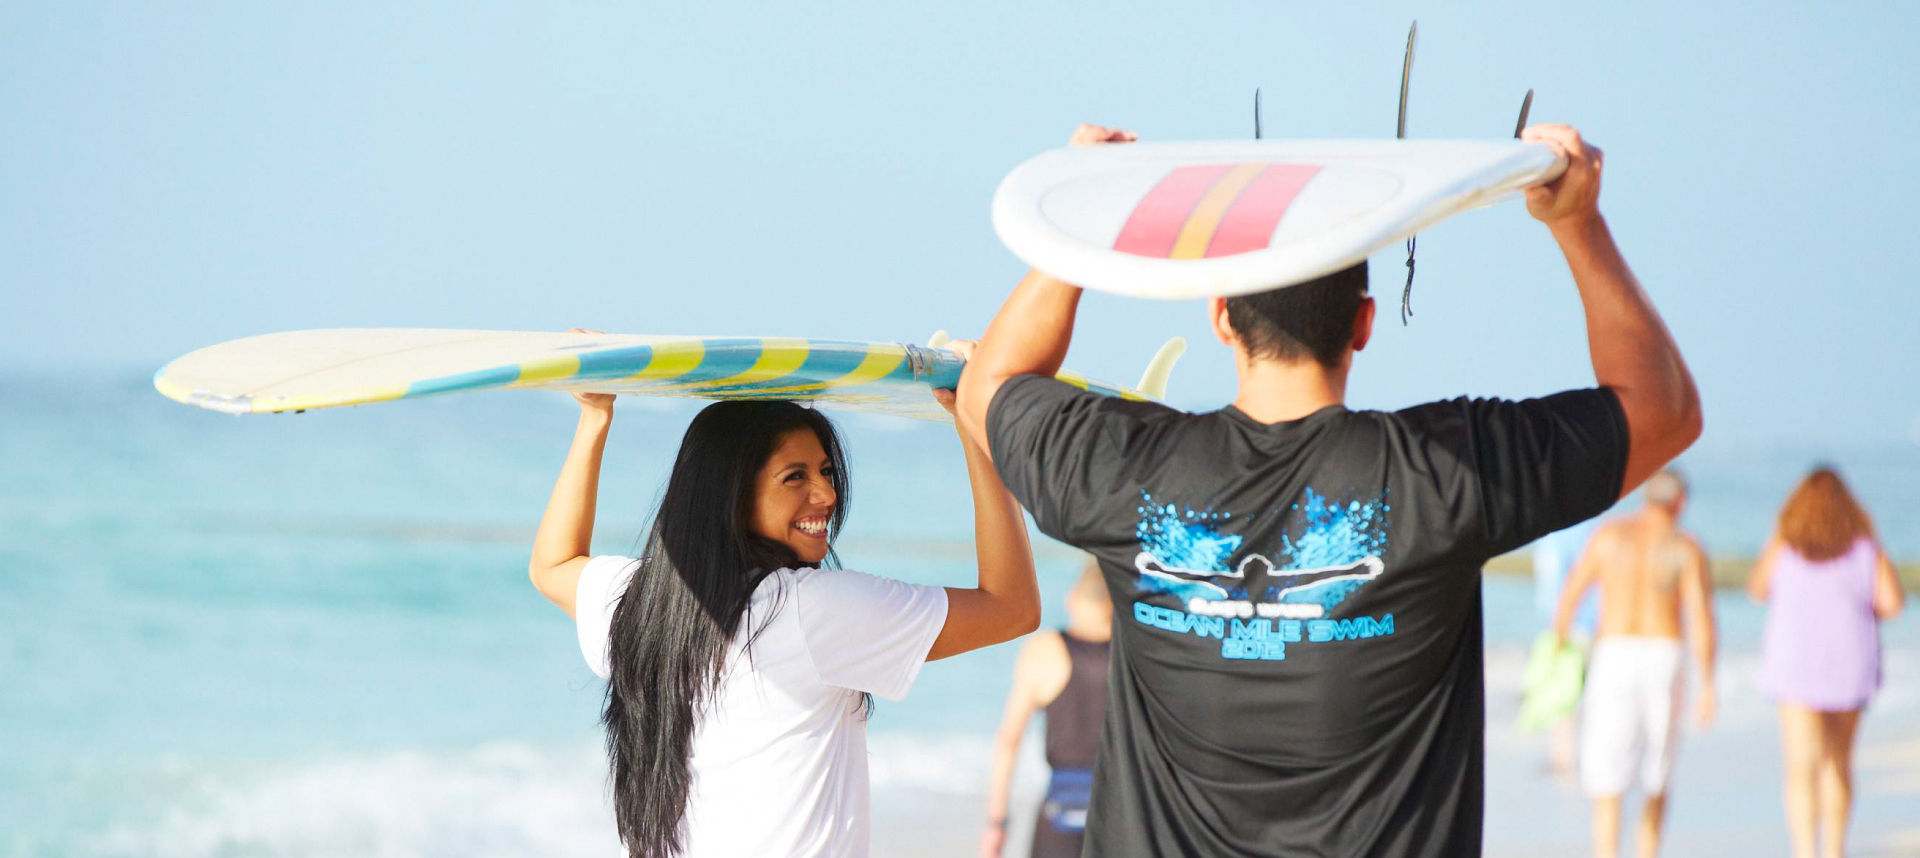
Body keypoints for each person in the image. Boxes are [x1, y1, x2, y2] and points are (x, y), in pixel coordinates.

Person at [955, 122, 1701, 856]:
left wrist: (1086, 216)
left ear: (1220, 316)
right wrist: (1578, 222)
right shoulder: (1445, 469)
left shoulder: (1127, 468)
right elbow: (1662, 411)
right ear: (1364, 323)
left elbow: (989, 383)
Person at [528, 338, 1039, 858]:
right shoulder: (807, 610)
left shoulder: (642, 603)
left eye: (826, 472)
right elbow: (1012, 607)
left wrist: (594, 417)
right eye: (795, 477)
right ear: (732, 494)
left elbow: (552, 564)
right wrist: (976, 430)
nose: (827, 495)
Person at [1552, 470, 1716, 858]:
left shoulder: (1610, 537)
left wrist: (1558, 649)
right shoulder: (1685, 547)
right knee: (1657, 772)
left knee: (1607, 771)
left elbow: (1571, 594)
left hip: (1614, 655)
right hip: (1664, 655)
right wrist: (1707, 683)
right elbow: (1701, 618)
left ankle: (1605, 853)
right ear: (1681, 503)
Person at [1748, 466, 1905, 858]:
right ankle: (1834, 850)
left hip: (1794, 664)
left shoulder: (1785, 542)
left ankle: (1804, 851)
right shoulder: (1865, 546)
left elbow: (1757, 589)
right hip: (1849, 664)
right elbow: (1892, 603)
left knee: (1801, 767)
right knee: (1838, 762)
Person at [980, 561, 1113, 858]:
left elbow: (1009, 741)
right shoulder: (1134, 656)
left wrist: (996, 823)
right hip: (1122, 809)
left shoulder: (1045, 650)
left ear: (1073, 598)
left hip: (1062, 810)